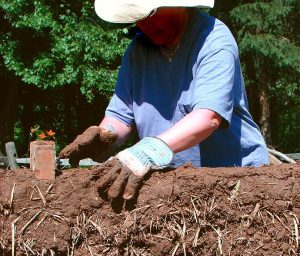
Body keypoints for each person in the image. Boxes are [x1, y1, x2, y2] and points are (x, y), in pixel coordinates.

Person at [59, 0, 269, 200]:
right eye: (138, 15)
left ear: (180, 6)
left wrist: (146, 151)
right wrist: (105, 135)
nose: (145, 23)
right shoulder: (137, 50)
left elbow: (208, 118)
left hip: (235, 178)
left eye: (152, 12)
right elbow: (121, 117)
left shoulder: (213, 40)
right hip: (171, 183)